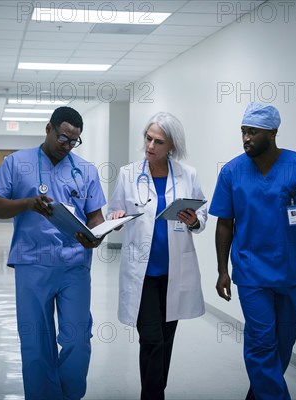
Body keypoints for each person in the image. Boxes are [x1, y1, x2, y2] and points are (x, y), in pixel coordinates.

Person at [209, 102, 296, 400]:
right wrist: (222, 270)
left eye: (253, 132)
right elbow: (225, 223)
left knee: (282, 344)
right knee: (262, 341)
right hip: (251, 272)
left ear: (272, 133)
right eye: (243, 132)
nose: (246, 138)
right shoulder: (232, 171)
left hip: (291, 269)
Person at [0, 106, 106, 400]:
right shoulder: (16, 162)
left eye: (74, 141)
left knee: (78, 338)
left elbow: (95, 217)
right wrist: (27, 203)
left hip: (74, 264)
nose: (66, 147)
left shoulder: (86, 170)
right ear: (48, 129)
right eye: (63, 138)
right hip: (32, 262)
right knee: (36, 341)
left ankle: (69, 395)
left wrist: (97, 235)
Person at [108, 112, 207, 400]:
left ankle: (153, 393)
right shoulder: (129, 174)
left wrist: (193, 220)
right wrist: (116, 216)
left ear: (172, 146)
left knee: (164, 339)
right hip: (143, 274)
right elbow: (112, 210)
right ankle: (153, 396)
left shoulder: (188, 174)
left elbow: (201, 217)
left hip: (175, 272)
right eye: (148, 138)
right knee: (151, 338)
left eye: (158, 141)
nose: (150, 145)